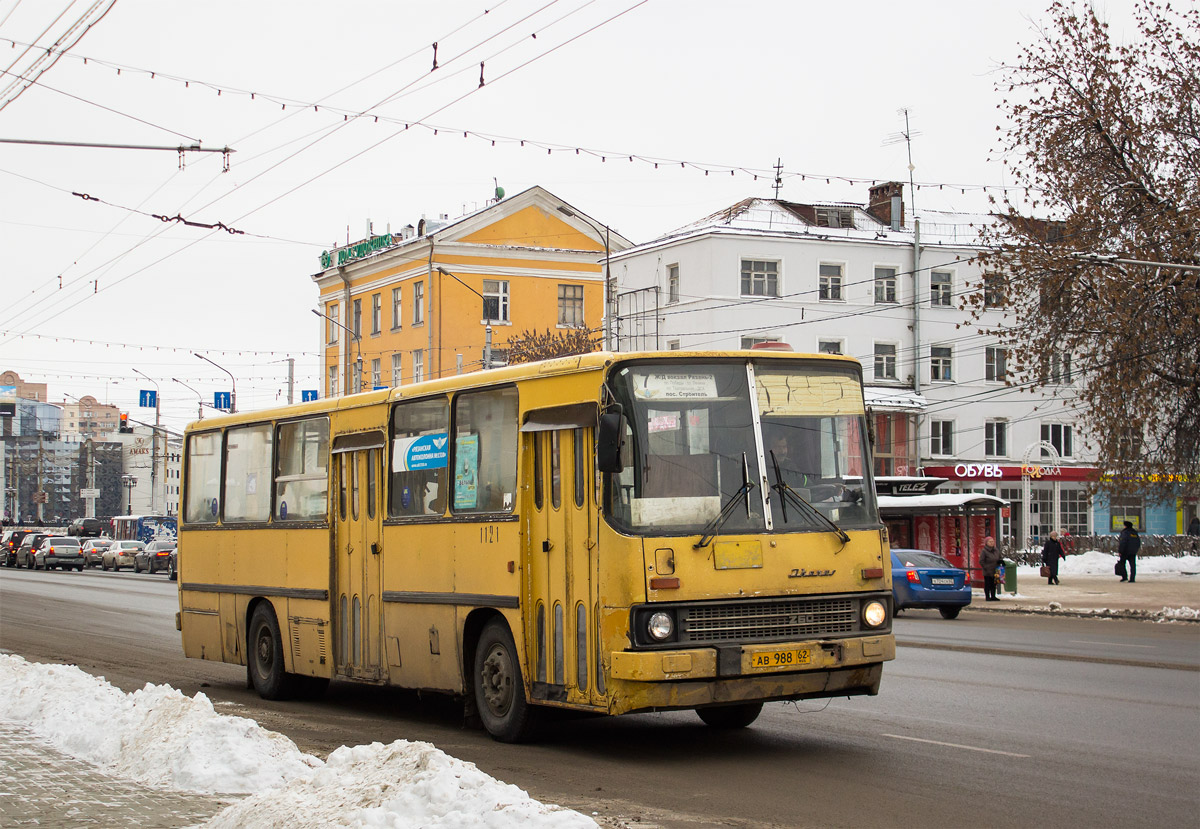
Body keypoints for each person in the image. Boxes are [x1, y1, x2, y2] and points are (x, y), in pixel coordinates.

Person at [980, 535, 1003, 601]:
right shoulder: (984, 551)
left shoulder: (996, 550)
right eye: (990, 542)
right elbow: (981, 561)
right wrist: (986, 567)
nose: (992, 543)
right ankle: (987, 596)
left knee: (994, 584)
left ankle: (993, 596)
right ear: (986, 543)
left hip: (995, 570)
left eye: (992, 541)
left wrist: (1000, 561)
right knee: (988, 584)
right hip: (987, 571)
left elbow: (999, 557)